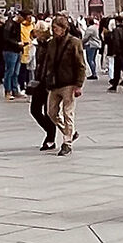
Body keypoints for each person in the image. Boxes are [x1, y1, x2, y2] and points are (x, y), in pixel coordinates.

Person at [36, 13, 87, 156]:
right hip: (54, 83)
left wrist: (79, 85)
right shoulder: (51, 43)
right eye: (52, 27)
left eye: (56, 28)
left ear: (64, 28)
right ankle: (69, 132)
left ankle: (67, 144)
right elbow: (47, 62)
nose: (54, 30)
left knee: (67, 113)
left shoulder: (74, 42)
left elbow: (81, 65)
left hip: (69, 83)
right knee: (51, 113)